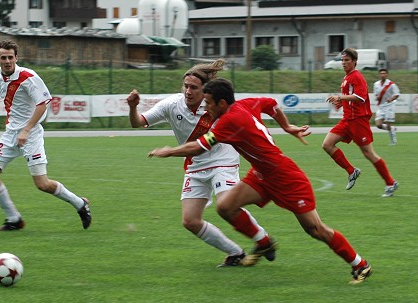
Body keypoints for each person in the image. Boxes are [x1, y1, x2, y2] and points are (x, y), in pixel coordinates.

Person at [148, 78, 372, 284]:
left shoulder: (228, 121)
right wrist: (286, 126)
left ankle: (360, 265)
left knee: (315, 229)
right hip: (262, 175)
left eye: (208, 103)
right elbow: (271, 104)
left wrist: (168, 151)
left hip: (286, 178)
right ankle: (264, 243)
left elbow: (197, 147)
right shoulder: (245, 104)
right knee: (226, 207)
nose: (206, 108)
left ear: (222, 103)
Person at [127, 59, 270, 267]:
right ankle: (235, 253)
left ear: (205, 90)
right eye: (185, 86)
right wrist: (133, 107)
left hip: (223, 161)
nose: (188, 91)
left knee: (226, 205)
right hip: (195, 165)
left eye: (194, 87)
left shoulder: (217, 107)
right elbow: (137, 122)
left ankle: (263, 240)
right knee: (190, 221)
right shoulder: (171, 104)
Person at [0, 40, 92, 231]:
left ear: (16, 58)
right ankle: (14, 219)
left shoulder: (28, 77)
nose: (7, 61)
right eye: (4, 57)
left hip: (31, 134)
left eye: (11, 57)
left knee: (42, 184)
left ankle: (80, 203)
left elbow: (42, 103)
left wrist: (27, 129)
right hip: (10, 134)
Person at [324, 48, 398, 197]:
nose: (344, 63)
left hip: (358, 120)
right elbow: (349, 97)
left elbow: (360, 97)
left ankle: (390, 183)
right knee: (327, 145)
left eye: (347, 60)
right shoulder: (347, 77)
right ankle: (352, 171)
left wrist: (341, 98)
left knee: (369, 154)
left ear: (354, 62)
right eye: (343, 60)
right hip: (347, 120)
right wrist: (340, 103)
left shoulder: (357, 76)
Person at [373, 68, 400, 145]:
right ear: (379, 75)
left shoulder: (391, 84)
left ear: (387, 74)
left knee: (388, 124)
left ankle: (393, 141)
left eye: (384, 73)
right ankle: (392, 129)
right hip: (381, 106)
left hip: (389, 106)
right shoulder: (376, 84)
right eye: (381, 73)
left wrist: (391, 98)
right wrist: (377, 97)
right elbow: (376, 94)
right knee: (378, 125)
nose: (383, 75)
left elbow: (397, 94)